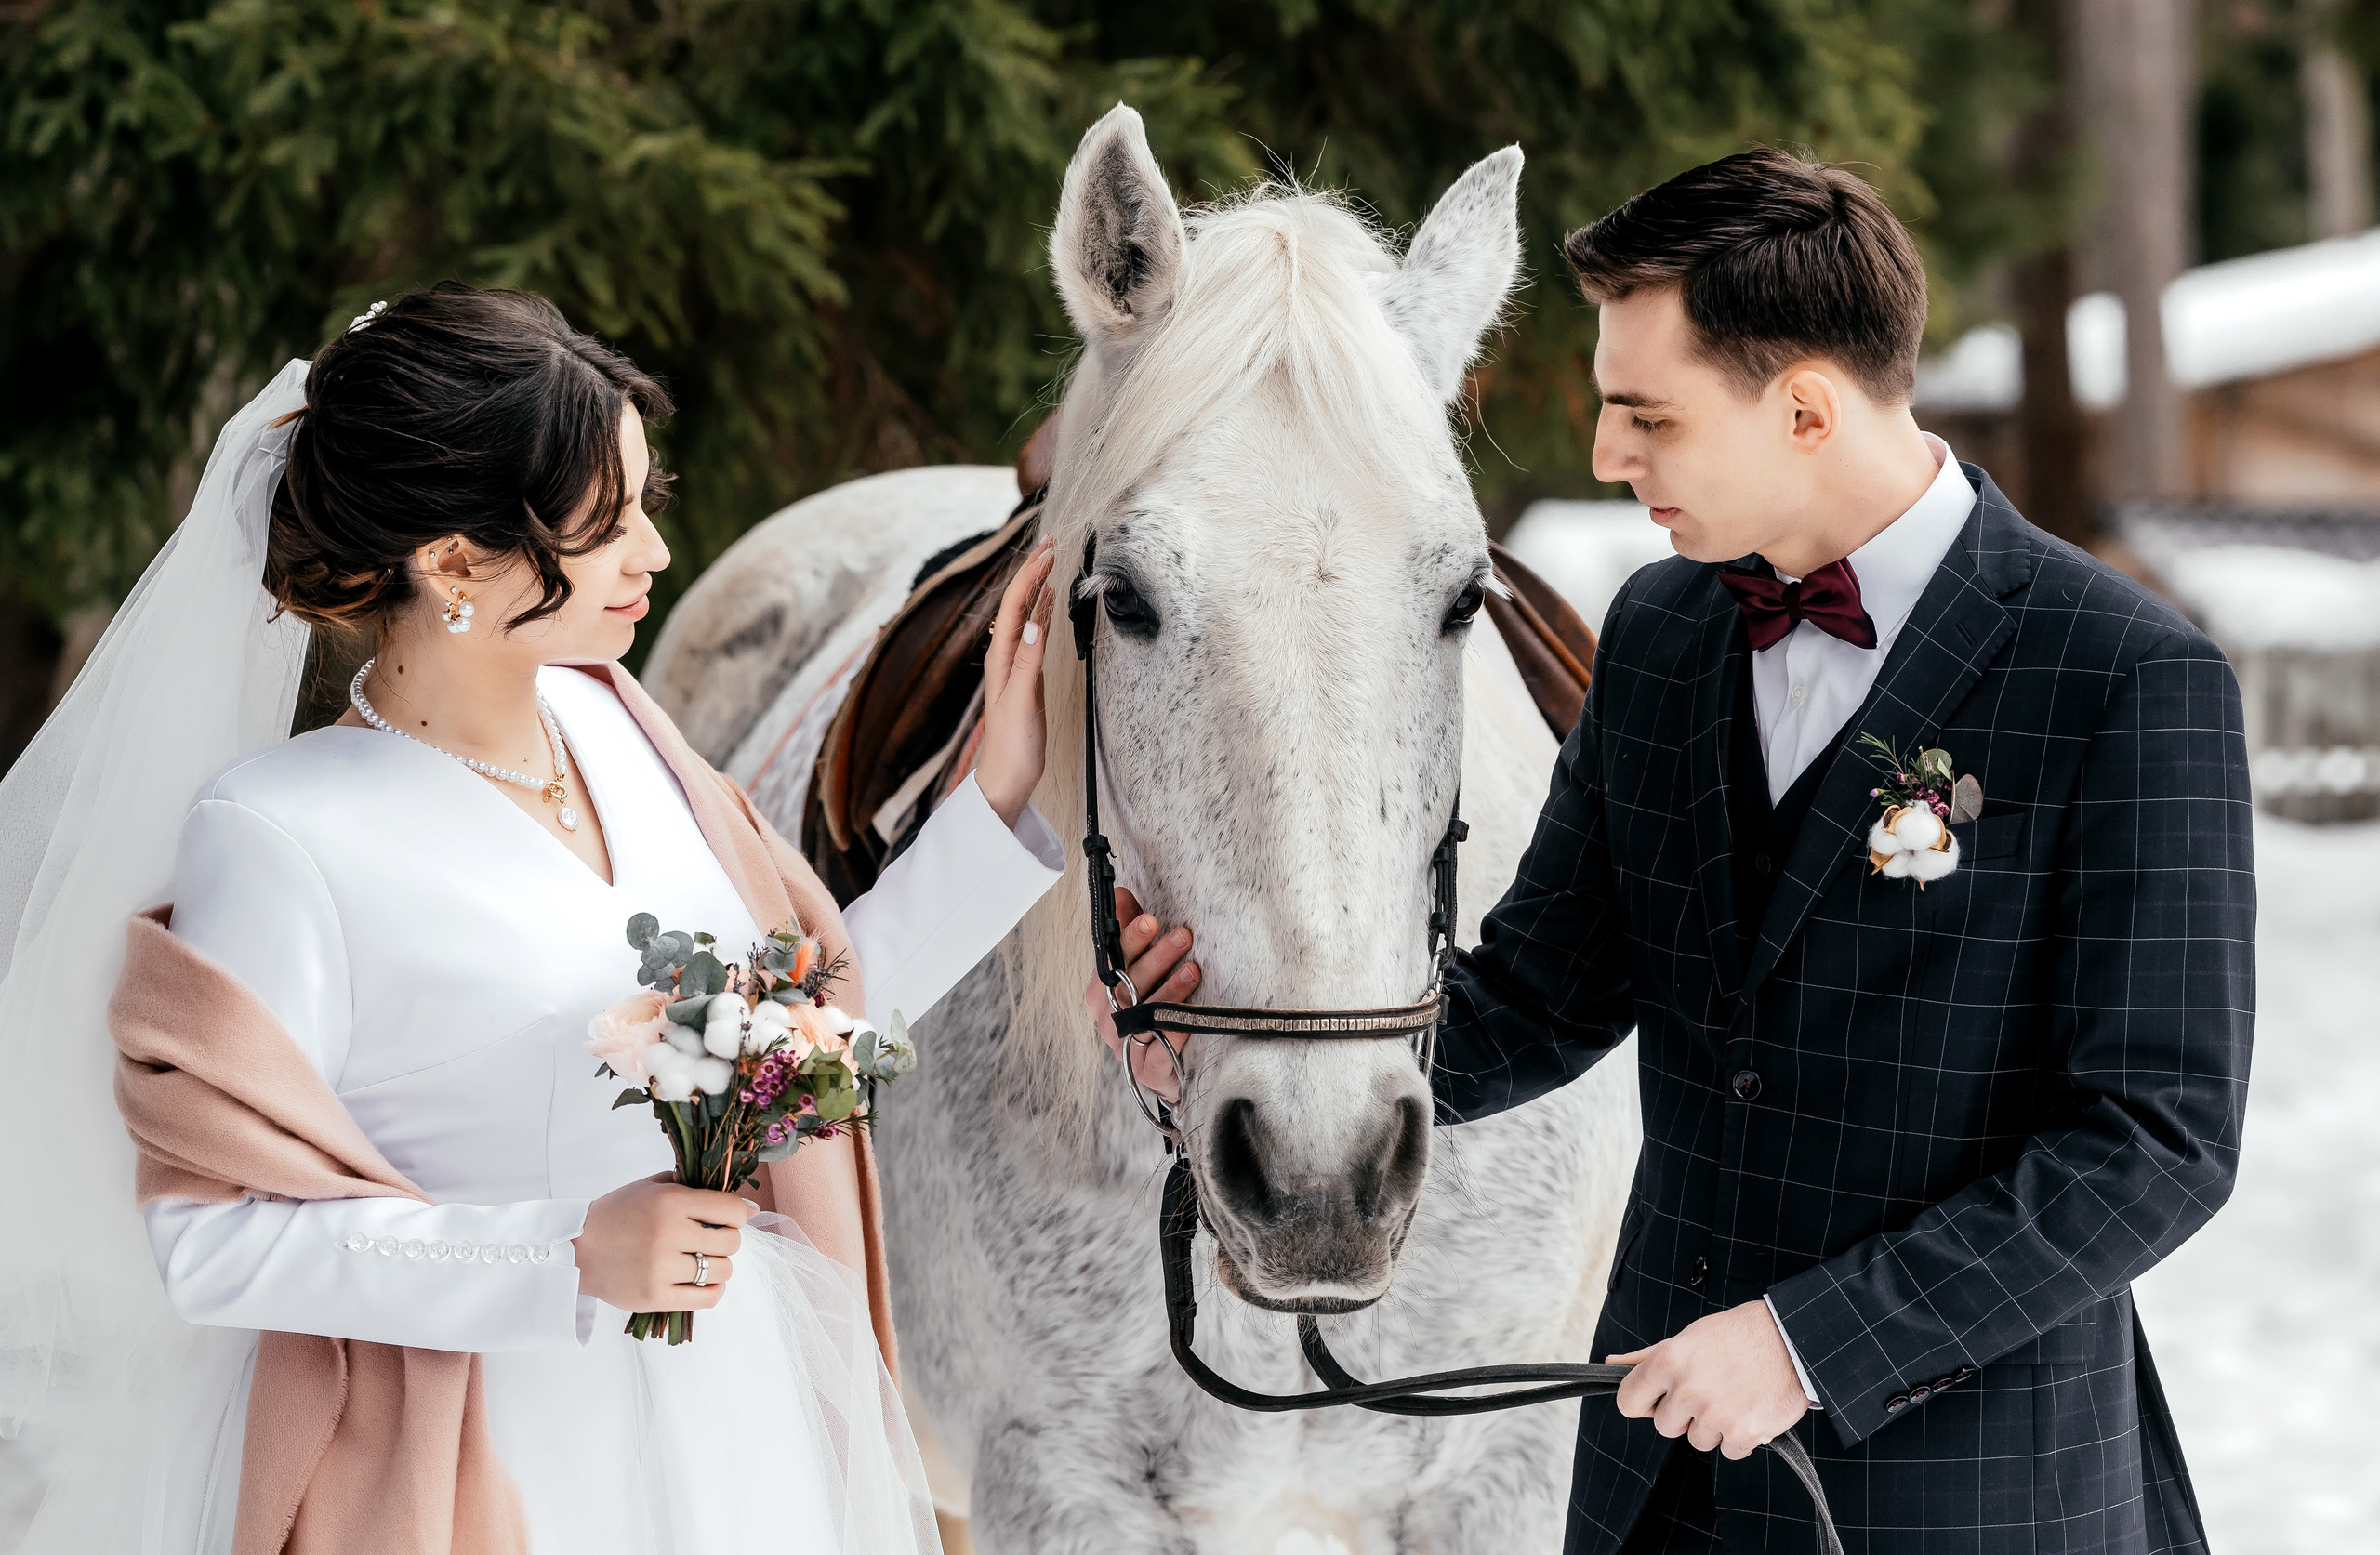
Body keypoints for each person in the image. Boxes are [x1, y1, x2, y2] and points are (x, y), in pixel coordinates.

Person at [0, 283, 1199, 1554]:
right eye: (607, 523)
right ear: (455, 562)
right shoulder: (278, 835)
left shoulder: (622, 731)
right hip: (498, 1456)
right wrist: (565, 1255)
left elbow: (784, 1054)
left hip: (736, 1419)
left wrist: (994, 806)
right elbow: (212, 1245)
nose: (657, 557)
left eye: (650, 505)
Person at [1426, 152, 2254, 1552]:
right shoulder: (1659, 634)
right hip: (1659, 1491)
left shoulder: (2124, 674)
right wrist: (1253, 1054)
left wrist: (1812, 1345)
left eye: (1646, 417)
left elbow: (2155, 1143)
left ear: (1804, 405)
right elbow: (1538, 996)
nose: (1608, 460)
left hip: (1975, 1497)